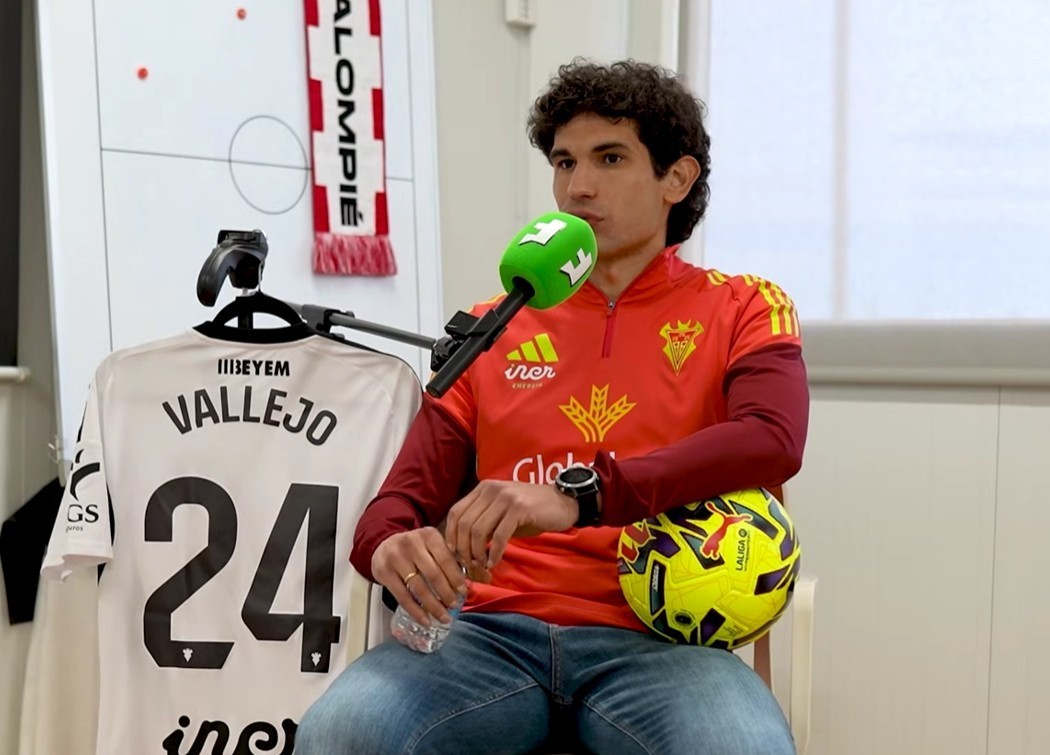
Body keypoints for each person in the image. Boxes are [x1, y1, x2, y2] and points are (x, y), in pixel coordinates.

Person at [295, 58, 809, 755]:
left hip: (664, 644)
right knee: (341, 733)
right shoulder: (493, 324)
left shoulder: (745, 305)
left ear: (677, 179)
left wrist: (580, 496)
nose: (578, 186)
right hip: (486, 636)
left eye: (609, 158)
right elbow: (399, 503)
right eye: (564, 162)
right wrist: (388, 544)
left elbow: (772, 438)